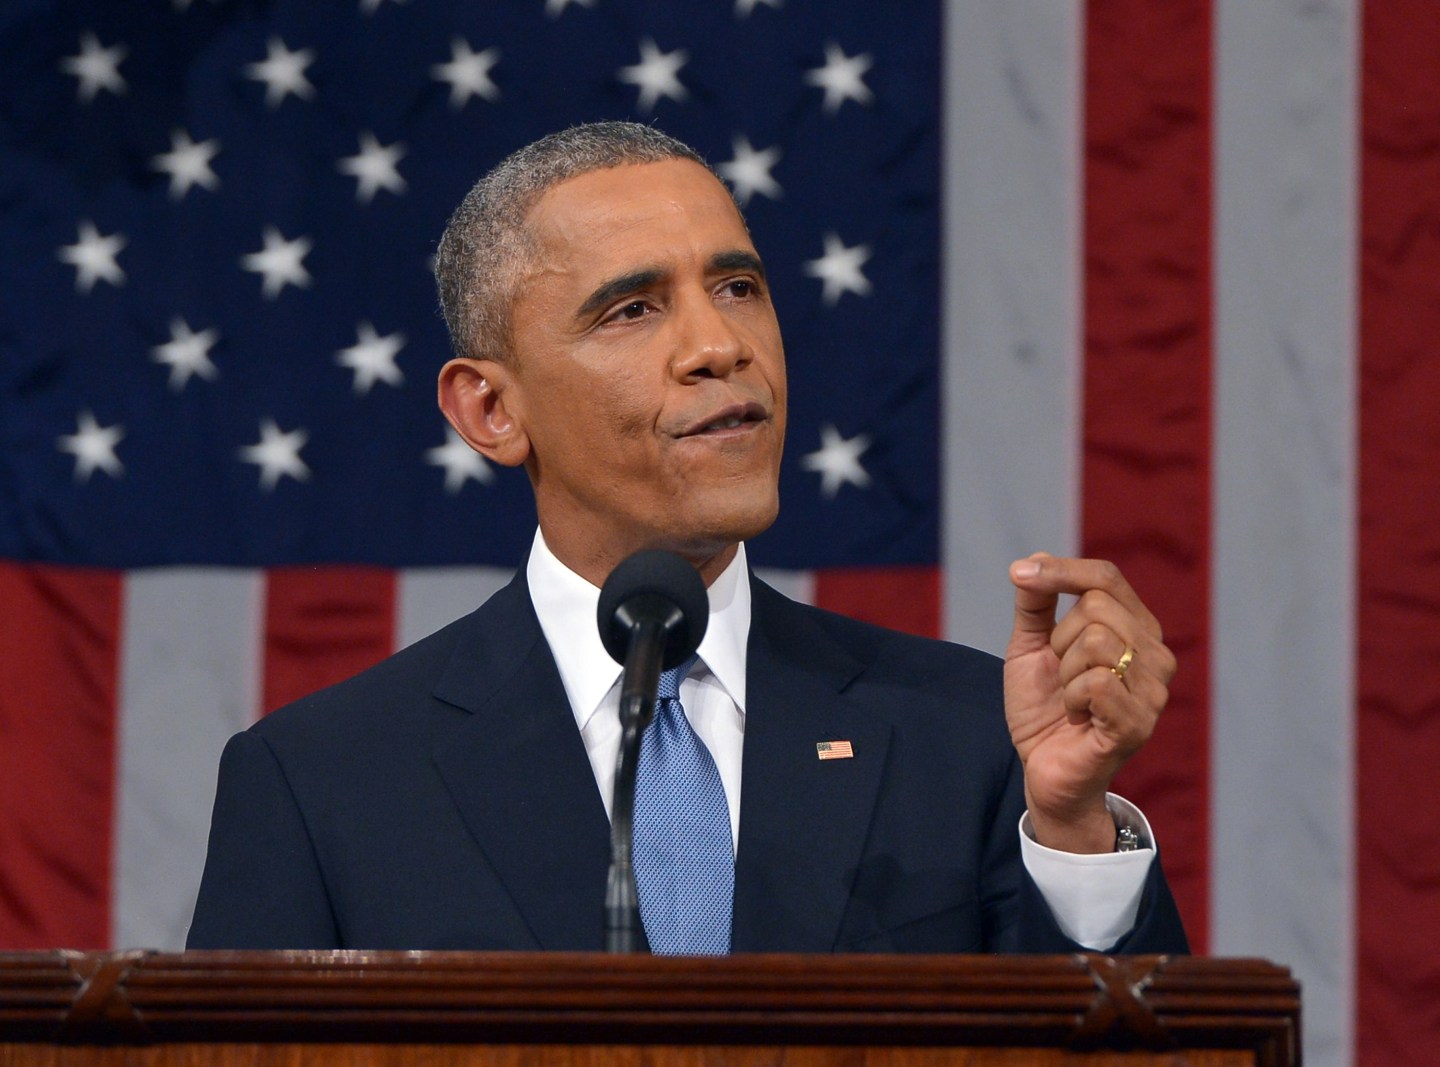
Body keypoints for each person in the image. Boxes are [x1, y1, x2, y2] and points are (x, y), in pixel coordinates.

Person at [187, 122, 1187, 954]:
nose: (721, 345)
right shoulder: (324, 783)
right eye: (632, 309)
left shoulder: (976, 738)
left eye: (740, 286)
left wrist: (1068, 834)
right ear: (491, 408)